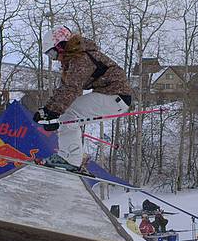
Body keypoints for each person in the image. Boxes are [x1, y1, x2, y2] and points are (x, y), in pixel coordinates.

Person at [34, 26, 133, 173]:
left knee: (69, 114)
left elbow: (72, 89)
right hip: (112, 96)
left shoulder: (81, 58)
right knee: (68, 114)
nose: (54, 59)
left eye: (53, 54)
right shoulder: (74, 59)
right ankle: (72, 157)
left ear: (61, 46)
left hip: (115, 96)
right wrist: (46, 110)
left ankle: (70, 159)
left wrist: (53, 113)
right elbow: (64, 88)